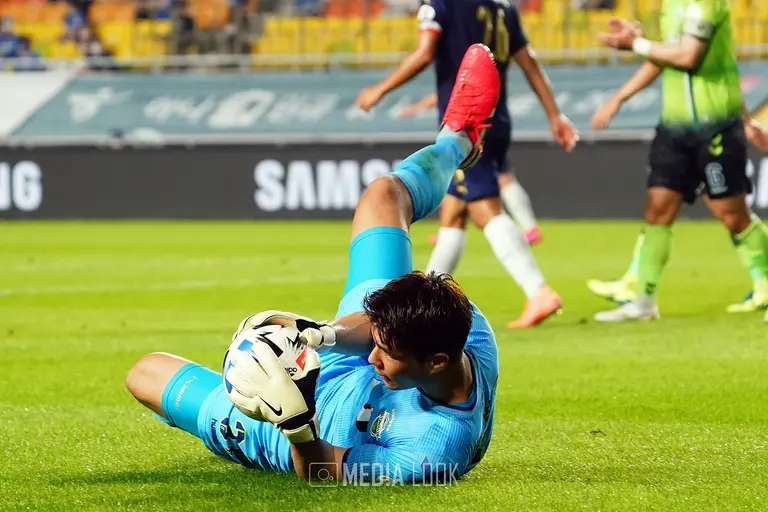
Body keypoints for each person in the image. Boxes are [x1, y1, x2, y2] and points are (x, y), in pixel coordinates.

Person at [126, 44, 503, 484]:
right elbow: (375, 332)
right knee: (383, 195)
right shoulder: (464, 325)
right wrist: (320, 334)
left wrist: (295, 423)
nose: (373, 357)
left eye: (385, 352)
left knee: (146, 372)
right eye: (377, 342)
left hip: (303, 426)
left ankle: (242, 404)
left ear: (436, 362)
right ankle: (457, 141)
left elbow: (323, 471)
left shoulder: (428, 455)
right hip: (350, 379)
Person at [356, 0, 578, 328]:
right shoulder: (504, 7)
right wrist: (554, 114)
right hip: (496, 119)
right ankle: (422, 305)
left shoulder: (441, 4)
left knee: (482, 205)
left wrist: (380, 89)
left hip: (465, 126)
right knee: (454, 212)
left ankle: (538, 291)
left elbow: (424, 52)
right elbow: (529, 63)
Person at [590, 6, 768, 322]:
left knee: (732, 215)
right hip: (674, 130)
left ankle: (764, 284)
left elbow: (688, 56)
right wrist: (619, 97)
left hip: (716, 128)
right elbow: (665, 57)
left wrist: (636, 44)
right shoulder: (671, 6)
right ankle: (644, 302)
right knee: (657, 211)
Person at [399, 92, 543, 247]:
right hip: (490, 122)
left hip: (473, 127)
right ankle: (448, 230)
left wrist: (416, 107)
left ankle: (449, 231)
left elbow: (452, 92)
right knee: (500, 177)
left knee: (474, 182)